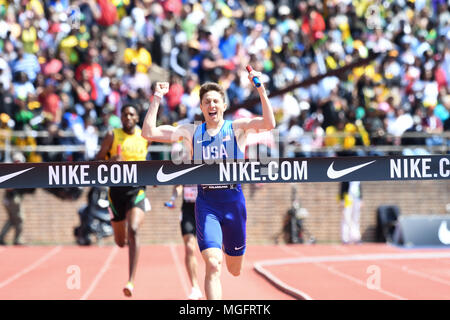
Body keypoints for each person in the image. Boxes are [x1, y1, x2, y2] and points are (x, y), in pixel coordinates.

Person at [141, 68, 275, 300]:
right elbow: (148, 132)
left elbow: (268, 123)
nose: (211, 105)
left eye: (215, 101)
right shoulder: (192, 132)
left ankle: (228, 247)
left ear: (223, 105)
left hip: (234, 203)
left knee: (234, 270)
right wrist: (157, 98)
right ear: (202, 107)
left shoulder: (236, 128)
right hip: (207, 204)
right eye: (206, 102)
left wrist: (260, 88)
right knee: (213, 264)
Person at [95, 103, 151, 297]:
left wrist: (153, 177)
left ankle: (131, 280)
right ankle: (126, 240)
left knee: (133, 229)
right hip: (116, 193)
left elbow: (148, 162)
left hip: (137, 190)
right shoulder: (112, 135)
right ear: (121, 117)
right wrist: (111, 162)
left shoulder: (144, 137)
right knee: (120, 241)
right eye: (125, 114)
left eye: (132, 114)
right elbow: (96, 162)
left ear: (137, 118)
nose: (128, 117)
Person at [164, 184, 203, 300]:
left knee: (209, 250)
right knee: (190, 247)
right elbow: (178, 186)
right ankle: (195, 287)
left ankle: (211, 280)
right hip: (188, 211)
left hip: (205, 209)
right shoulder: (184, 166)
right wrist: (172, 199)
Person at [0, 152, 34, 245]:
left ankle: (2, 237)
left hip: (10, 198)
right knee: (19, 219)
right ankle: (18, 239)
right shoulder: (11, 170)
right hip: (12, 198)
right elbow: (9, 187)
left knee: (11, 220)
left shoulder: (19, 170)